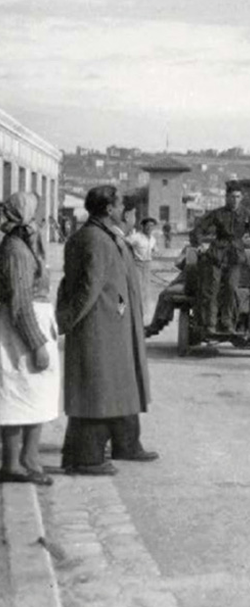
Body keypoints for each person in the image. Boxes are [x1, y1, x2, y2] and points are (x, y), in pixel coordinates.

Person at [57, 185, 155, 476]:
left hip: (115, 324)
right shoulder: (94, 239)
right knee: (97, 390)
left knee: (120, 385)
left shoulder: (105, 235)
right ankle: (85, 457)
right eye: (120, 204)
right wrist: (64, 322)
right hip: (99, 328)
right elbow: (88, 288)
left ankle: (127, 443)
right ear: (109, 209)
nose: (125, 209)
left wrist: (123, 308)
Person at [0, 192, 58, 485]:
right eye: (35, 216)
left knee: (35, 395)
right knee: (18, 395)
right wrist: (37, 344)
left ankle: (27, 457)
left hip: (31, 324)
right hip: (21, 331)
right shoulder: (15, 251)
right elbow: (20, 303)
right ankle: (15, 461)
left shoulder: (23, 245)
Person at [190, 183, 250, 333]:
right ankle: (210, 324)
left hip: (235, 256)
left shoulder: (247, 215)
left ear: (241, 198)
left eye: (237, 197)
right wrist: (199, 245)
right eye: (232, 197)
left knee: (231, 287)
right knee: (212, 289)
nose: (235, 200)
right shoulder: (217, 214)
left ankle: (227, 323)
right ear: (226, 197)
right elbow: (197, 229)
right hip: (216, 255)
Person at [126, 217, 158, 314]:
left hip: (148, 265)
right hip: (137, 265)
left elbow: (154, 249)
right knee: (137, 288)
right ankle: (133, 310)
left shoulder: (153, 239)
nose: (149, 228)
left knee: (146, 289)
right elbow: (124, 243)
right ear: (143, 226)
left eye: (152, 226)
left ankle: (144, 311)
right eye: (147, 226)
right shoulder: (136, 237)